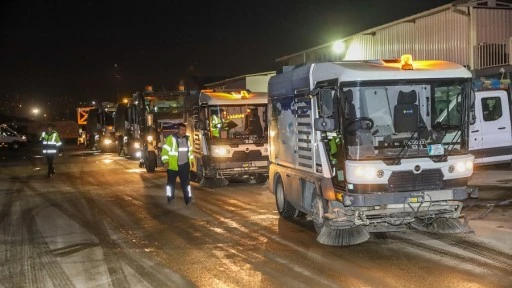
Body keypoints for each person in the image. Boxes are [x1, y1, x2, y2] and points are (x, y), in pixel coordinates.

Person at [161, 123, 195, 206]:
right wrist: (166, 161)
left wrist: (191, 160)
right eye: (182, 130)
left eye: (184, 130)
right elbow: (165, 152)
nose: (184, 131)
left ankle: (188, 199)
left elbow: (190, 151)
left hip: (184, 166)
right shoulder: (170, 139)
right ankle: (170, 197)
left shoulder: (187, 139)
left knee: (186, 184)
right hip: (172, 166)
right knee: (170, 184)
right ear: (177, 130)